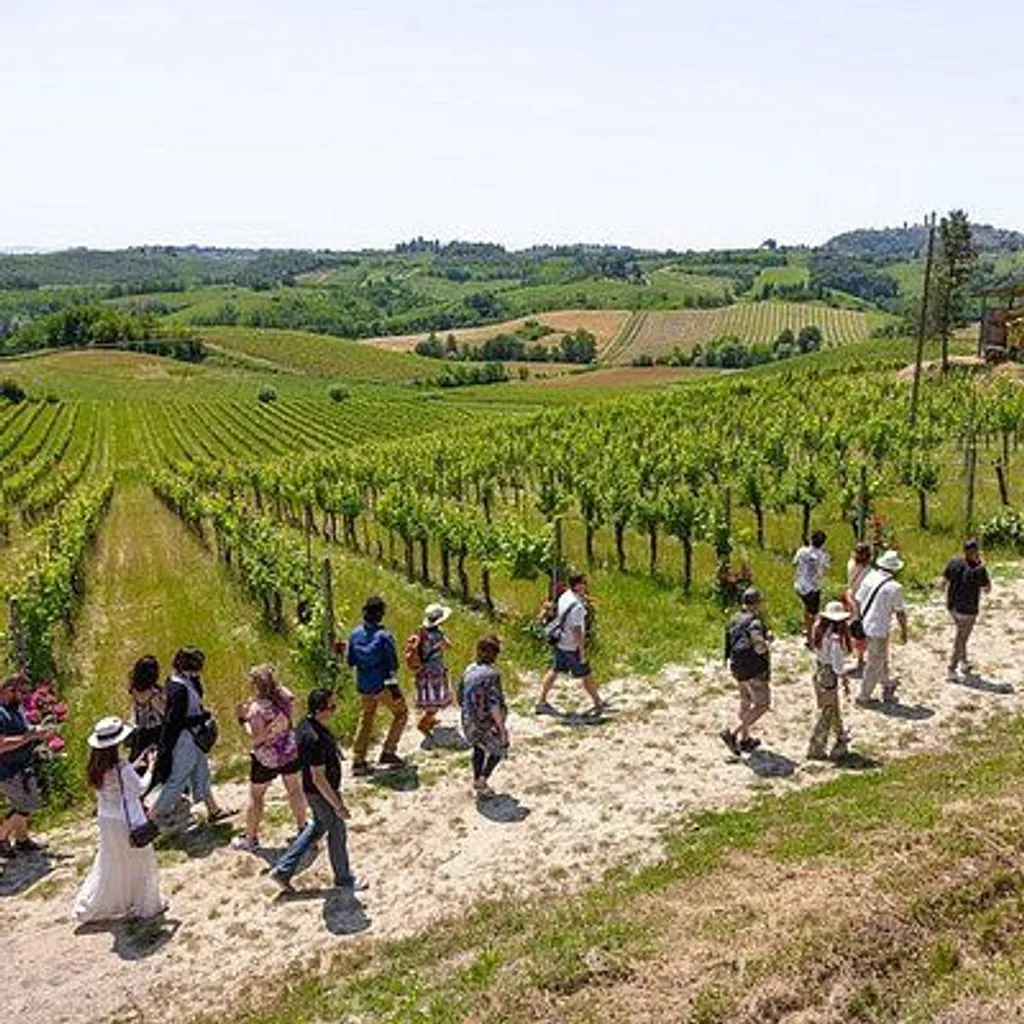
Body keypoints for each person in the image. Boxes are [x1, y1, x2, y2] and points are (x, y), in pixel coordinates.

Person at [268, 689, 362, 894]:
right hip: (321, 792)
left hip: (312, 790)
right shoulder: (313, 738)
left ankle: (283, 870)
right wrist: (338, 805)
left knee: (318, 826)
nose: (334, 711)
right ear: (319, 710)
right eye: (331, 707)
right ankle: (344, 879)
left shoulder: (305, 724)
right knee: (337, 831)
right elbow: (319, 778)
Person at [73, 716, 164, 923]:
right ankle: (145, 905)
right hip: (129, 820)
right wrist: (150, 766)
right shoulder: (121, 767)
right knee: (141, 860)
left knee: (113, 861)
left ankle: (101, 904)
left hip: (107, 819)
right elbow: (140, 788)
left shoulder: (95, 766)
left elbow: (115, 782)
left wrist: (134, 765)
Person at [152, 647, 232, 828]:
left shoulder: (178, 680)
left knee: (202, 772)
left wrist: (196, 680)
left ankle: (214, 810)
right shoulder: (179, 689)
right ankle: (152, 817)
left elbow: (197, 694)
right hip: (185, 738)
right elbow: (177, 720)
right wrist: (204, 717)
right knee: (178, 779)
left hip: (192, 737)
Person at [231, 664, 307, 852]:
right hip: (289, 749)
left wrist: (243, 722)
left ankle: (251, 838)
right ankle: (302, 828)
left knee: (256, 796)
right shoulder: (285, 695)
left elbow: (258, 738)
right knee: (295, 790)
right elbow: (290, 715)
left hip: (267, 757)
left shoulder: (256, 710)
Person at [347, 596, 408, 775]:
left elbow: (351, 661)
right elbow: (393, 666)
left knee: (366, 718)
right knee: (401, 713)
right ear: (381, 615)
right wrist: (395, 689)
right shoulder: (384, 636)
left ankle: (358, 759)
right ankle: (388, 751)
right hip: (382, 685)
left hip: (364, 685)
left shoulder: (354, 634)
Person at [535, 573, 606, 716]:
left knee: (554, 671)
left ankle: (541, 701)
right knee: (586, 675)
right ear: (578, 585)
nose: (586, 585)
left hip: (561, 642)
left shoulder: (565, 596)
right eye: (584, 583)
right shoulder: (578, 607)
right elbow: (577, 631)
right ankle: (598, 704)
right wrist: (582, 652)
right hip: (572, 646)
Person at [0, 675, 51, 857]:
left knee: (27, 804)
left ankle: (22, 840)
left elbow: (24, 728)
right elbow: (2, 744)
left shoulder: (15, 708)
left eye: (22, 692)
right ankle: (1, 839)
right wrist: (28, 738)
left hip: (23, 765)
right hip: (6, 769)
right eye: (15, 691)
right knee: (22, 806)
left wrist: (37, 731)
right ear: (4, 690)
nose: (20, 696)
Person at [720, 587, 773, 756]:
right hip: (754, 669)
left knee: (745, 701)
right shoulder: (755, 622)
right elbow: (759, 647)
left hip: (737, 666)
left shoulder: (734, 619)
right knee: (762, 704)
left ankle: (745, 740)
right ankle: (734, 734)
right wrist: (768, 641)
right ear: (756, 603)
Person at [854, 549, 908, 705]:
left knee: (881, 657)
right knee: (874, 663)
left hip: (865, 623)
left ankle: (886, 682)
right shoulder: (894, 587)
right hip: (879, 628)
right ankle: (863, 696)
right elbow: (900, 612)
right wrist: (904, 631)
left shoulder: (870, 577)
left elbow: (858, 600)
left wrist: (858, 619)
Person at [460, 635, 509, 799]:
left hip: (468, 720)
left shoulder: (469, 669)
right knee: (498, 750)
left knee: (478, 749)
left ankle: (477, 782)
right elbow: (494, 704)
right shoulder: (492, 675)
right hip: (485, 722)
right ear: (495, 654)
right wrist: (501, 729)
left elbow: (460, 695)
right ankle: (482, 780)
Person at [808, 602, 852, 761]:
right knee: (827, 710)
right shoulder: (835, 638)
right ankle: (816, 747)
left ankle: (840, 734)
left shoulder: (818, 628)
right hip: (829, 673)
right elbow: (838, 664)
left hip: (819, 668)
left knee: (833, 706)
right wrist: (845, 679)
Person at [943, 539, 991, 681]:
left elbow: (944, 581)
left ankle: (964, 663)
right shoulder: (979, 568)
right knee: (961, 638)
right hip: (968, 610)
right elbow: (987, 589)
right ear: (976, 551)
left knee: (961, 634)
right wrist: (982, 566)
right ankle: (951, 669)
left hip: (952, 607)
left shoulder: (953, 562)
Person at [410, 603, 454, 749]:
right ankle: (424, 723)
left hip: (422, 670)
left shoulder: (420, 632)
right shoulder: (438, 634)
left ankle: (430, 719)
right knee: (435, 700)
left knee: (428, 697)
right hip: (434, 670)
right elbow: (449, 646)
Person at [793, 531, 830, 648]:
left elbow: (794, 563)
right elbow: (826, 568)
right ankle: (811, 639)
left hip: (799, 586)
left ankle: (807, 631)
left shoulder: (801, 551)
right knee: (813, 615)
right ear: (823, 543)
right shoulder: (822, 555)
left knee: (807, 609)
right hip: (813, 589)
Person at [127, 655, 164, 764]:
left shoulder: (134, 689)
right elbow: (163, 712)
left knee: (138, 760)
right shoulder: (153, 694)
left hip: (140, 729)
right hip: (155, 731)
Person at [843, 542, 872, 675]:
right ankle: (861, 659)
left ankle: (855, 655)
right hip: (863, 602)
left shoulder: (850, 564)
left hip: (851, 599)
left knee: (854, 627)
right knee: (862, 630)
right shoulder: (869, 571)